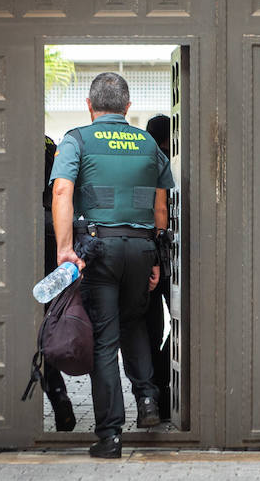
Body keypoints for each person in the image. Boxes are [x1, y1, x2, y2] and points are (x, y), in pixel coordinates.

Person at [51, 73, 171, 459]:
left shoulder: (78, 139)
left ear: (89, 105)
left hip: (99, 248)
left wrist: (66, 248)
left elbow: (62, 190)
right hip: (140, 249)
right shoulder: (148, 142)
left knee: (105, 336)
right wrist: (155, 254)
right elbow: (160, 207)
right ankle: (148, 401)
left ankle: (110, 435)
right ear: (128, 107)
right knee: (135, 322)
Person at [39, 135, 76, 432]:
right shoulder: (51, 144)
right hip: (53, 232)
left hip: (25, 234)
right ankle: (59, 395)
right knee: (49, 321)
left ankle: (58, 393)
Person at [142, 114, 173, 424]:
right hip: (166, 261)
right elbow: (161, 211)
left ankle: (150, 394)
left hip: (144, 259)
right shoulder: (167, 162)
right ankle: (160, 392)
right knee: (179, 325)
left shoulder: (141, 159)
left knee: (149, 330)